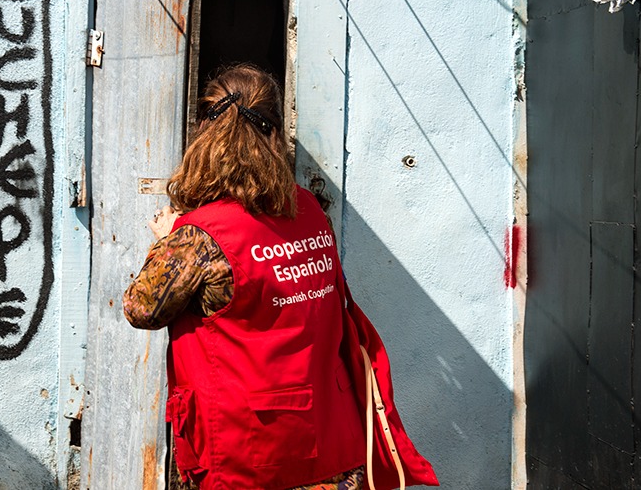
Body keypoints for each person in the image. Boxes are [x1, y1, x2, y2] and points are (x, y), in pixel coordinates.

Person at [123, 65, 437, 490]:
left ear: (205, 135)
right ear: (273, 136)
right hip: (330, 438)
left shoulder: (199, 237)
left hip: (250, 453)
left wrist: (167, 239)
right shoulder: (309, 210)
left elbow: (142, 309)